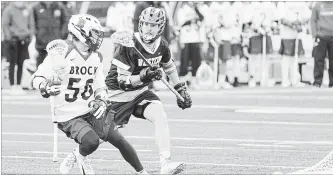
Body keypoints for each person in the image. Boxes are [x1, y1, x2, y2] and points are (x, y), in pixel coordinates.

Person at [30, 14, 148, 175]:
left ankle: (142, 172)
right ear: (80, 32)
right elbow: (36, 78)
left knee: (117, 138)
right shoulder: (62, 52)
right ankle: (80, 155)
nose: (97, 38)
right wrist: (45, 86)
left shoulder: (95, 56)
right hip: (68, 112)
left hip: (89, 107)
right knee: (91, 142)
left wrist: (101, 99)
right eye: (93, 33)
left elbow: (99, 85)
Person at [106, 7, 191, 174]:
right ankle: (77, 155)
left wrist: (180, 90)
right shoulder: (127, 45)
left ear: (160, 27)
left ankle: (165, 163)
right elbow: (123, 82)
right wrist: (145, 75)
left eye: (153, 25)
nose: (148, 28)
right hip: (118, 95)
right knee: (99, 138)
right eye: (145, 24)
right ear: (140, 24)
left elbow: (170, 68)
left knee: (160, 115)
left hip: (140, 93)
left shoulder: (162, 46)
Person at [2, 2, 32, 94]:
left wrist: (29, 36)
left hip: (24, 39)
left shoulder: (27, 9)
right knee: (12, 63)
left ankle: (19, 85)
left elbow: (31, 24)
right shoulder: (9, 9)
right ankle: (12, 85)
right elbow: (5, 24)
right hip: (13, 39)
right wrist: (9, 37)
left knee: (21, 62)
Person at [29, 1, 67, 67]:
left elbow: (65, 22)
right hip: (41, 42)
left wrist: (61, 35)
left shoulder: (60, 6)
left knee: (56, 66)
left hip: (55, 43)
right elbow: (32, 23)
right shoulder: (35, 7)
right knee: (40, 66)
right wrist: (37, 34)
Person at [311, 2, 333, 88]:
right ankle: (317, 82)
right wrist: (314, 34)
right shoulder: (318, 5)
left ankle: (332, 83)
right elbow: (313, 20)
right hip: (321, 36)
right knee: (319, 60)